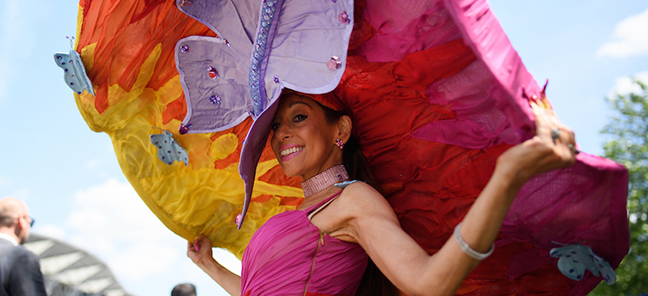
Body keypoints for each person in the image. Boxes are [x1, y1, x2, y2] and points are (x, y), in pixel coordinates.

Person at [186, 92, 578, 296]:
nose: (281, 133)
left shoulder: (353, 200)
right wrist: (210, 266)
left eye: (299, 117)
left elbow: (427, 282)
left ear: (340, 130)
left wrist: (506, 177)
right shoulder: (296, 213)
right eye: (275, 126)